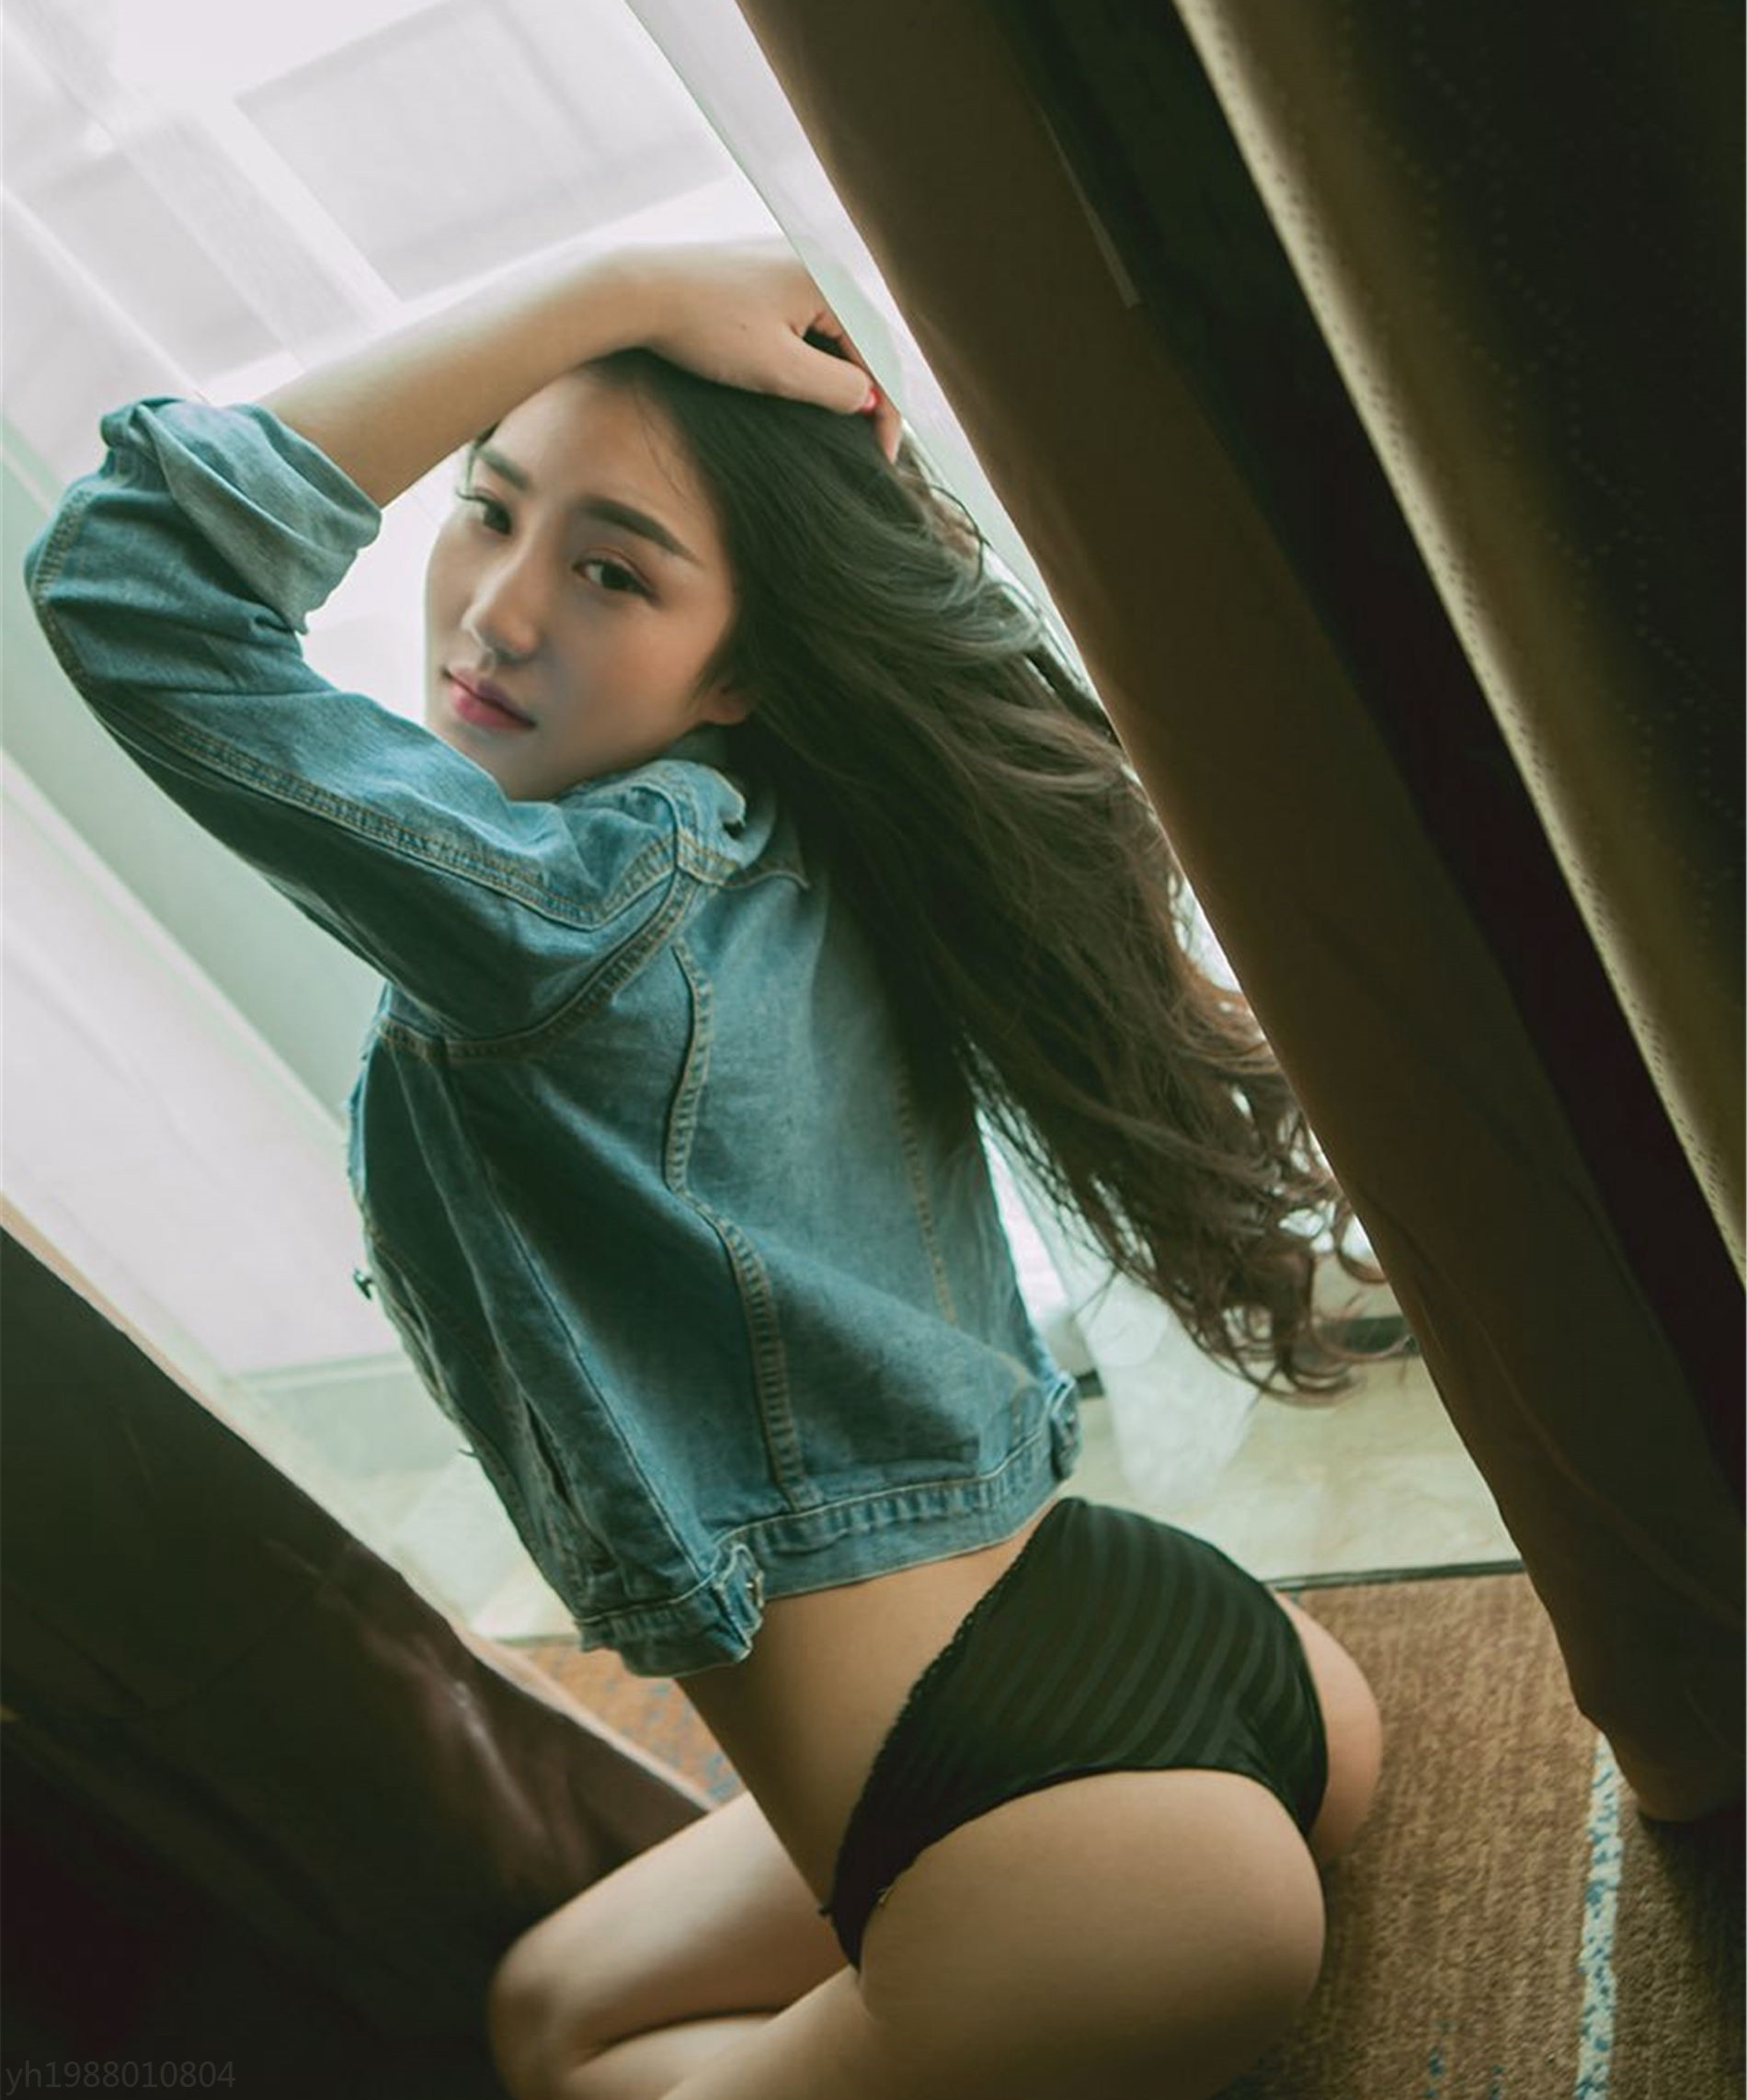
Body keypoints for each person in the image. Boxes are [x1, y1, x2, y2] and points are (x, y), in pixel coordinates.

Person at [24, 237, 1387, 2100]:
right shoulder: (807, 820)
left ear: (743, 660)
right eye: (486, 509)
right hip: (1196, 1641)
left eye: (610, 571)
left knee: (562, 2064)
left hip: (1079, 1864)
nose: (497, 613)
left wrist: (615, 288)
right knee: (543, 2012)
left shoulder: (564, 913)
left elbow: (133, 579)